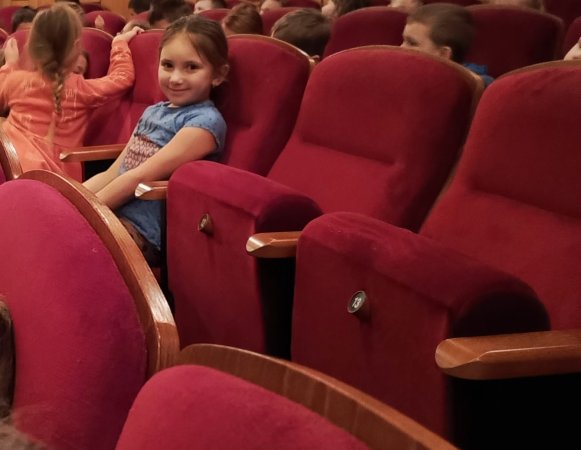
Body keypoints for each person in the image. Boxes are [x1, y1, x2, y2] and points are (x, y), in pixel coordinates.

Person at [83, 15, 229, 265]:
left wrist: (86, 213)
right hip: (112, 215)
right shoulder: (153, 112)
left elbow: (138, 177)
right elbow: (113, 172)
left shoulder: (205, 124)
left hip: (142, 233)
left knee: (63, 244)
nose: (176, 78)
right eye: (168, 65)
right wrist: (69, 199)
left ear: (218, 74)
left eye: (191, 67)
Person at [0, 4, 138, 181]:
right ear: (77, 46)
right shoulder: (80, 89)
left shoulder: (15, 81)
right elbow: (123, 78)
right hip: (56, 183)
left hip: (9, 166)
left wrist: (9, 64)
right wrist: (119, 43)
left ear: (32, 45)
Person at [401, 3, 494, 86]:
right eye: (403, 40)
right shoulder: (401, 74)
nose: (401, 48)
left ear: (443, 54)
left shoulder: (476, 88)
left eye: (412, 43)